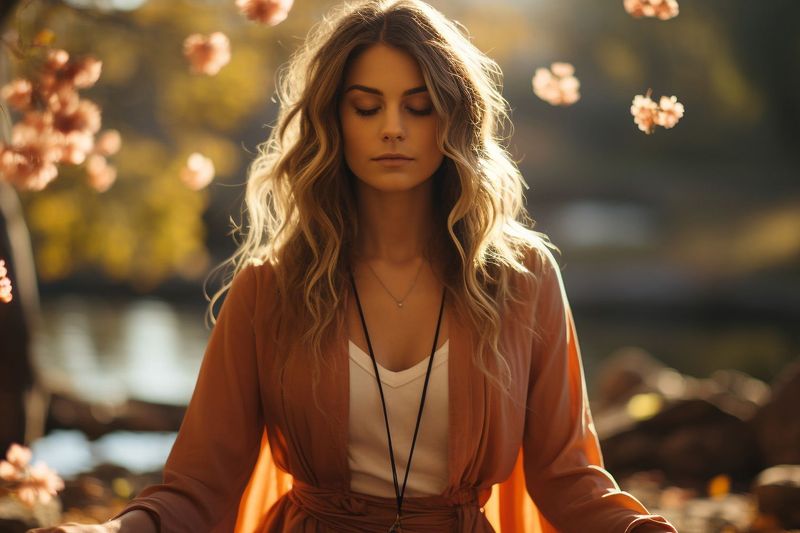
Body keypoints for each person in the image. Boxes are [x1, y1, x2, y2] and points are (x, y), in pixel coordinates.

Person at [31, 0, 679, 531]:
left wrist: (641, 529)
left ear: (453, 118)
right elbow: (200, 486)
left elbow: (568, 477)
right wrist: (110, 530)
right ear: (331, 121)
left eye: (418, 105)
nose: (392, 127)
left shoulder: (523, 279)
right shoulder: (269, 287)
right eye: (366, 106)